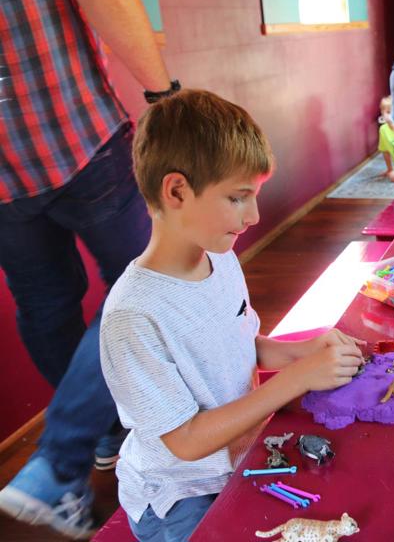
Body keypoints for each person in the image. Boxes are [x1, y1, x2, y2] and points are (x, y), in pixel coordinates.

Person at [98, 90, 366, 541]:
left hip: (240, 457)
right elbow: (184, 441)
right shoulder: (133, 315)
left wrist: (303, 352)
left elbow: (243, 344)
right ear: (177, 190)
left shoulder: (218, 257)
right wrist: (296, 379)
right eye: (239, 198)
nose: (254, 215)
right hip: (180, 494)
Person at [0, 0, 179, 538]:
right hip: (67, 128)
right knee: (151, 279)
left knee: (45, 304)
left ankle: (97, 435)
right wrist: (163, 95)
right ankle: (58, 464)